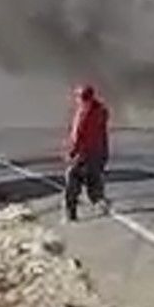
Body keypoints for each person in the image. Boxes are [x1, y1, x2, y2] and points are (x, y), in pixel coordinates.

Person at [64, 84, 109, 222]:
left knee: (72, 179)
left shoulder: (83, 113)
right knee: (93, 181)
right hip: (98, 152)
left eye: (79, 97)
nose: (78, 100)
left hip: (84, 154)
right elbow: (103, 134)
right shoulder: (101, 111)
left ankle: (71, 213)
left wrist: (72, 152)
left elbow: (77, 135)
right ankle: (99, 202)